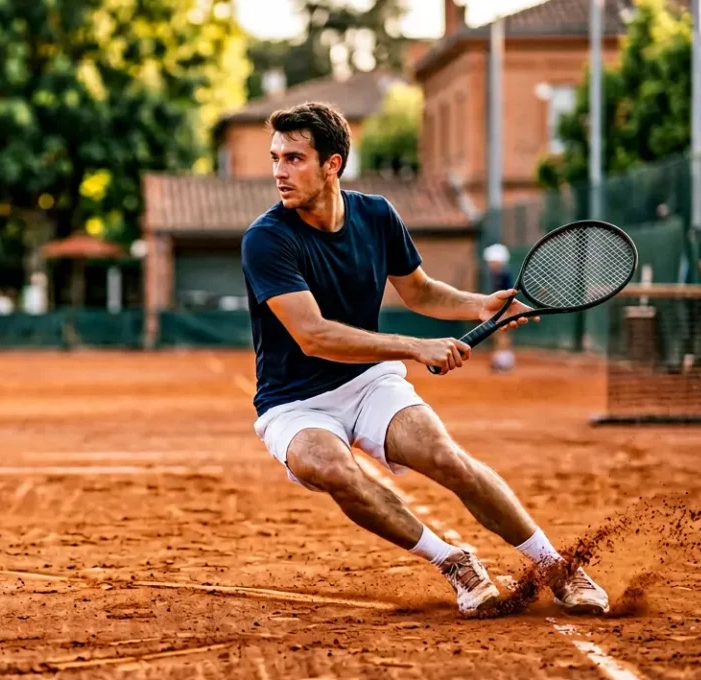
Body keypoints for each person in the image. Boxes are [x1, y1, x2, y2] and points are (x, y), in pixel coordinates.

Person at [240, 102, 609, 616]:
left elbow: (419, 292)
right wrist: (416, 346)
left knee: (444, 456)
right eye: (276, 157)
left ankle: (556, 566)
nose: (280, 172)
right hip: (294, 402)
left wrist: (477, 304)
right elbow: (313, 335)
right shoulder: (266, 239)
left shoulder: (376, 216)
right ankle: (452, 560)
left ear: (332, 164)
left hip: (368, 382)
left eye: (295, 158)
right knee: (330, 467)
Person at [482, 244, 517, 373]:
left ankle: (505, 363)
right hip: (499, 310)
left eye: (492, 261)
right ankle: (500, 361)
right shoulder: (497, 275)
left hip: (503, 310)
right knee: (498, 335)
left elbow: (509, 296)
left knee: (503, 335)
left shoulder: (504, 275)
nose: (490, 264)